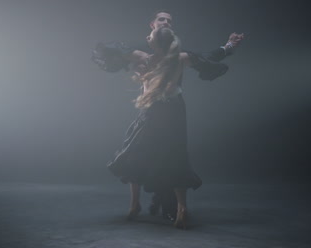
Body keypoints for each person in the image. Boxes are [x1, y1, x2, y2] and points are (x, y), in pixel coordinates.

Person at [92, 13, 243, 229]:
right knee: (137, 152)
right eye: (162, 20)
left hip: (168, 111)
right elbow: (109, 52)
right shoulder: (151, 57)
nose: (166, 22)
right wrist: (228, 46)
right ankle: (138, 204)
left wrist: (228, 46)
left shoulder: (163, 57)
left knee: (171, 156)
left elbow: (208, 55)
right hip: (156, 110)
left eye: (169, 21)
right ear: (152, 27)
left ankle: (176, 207)